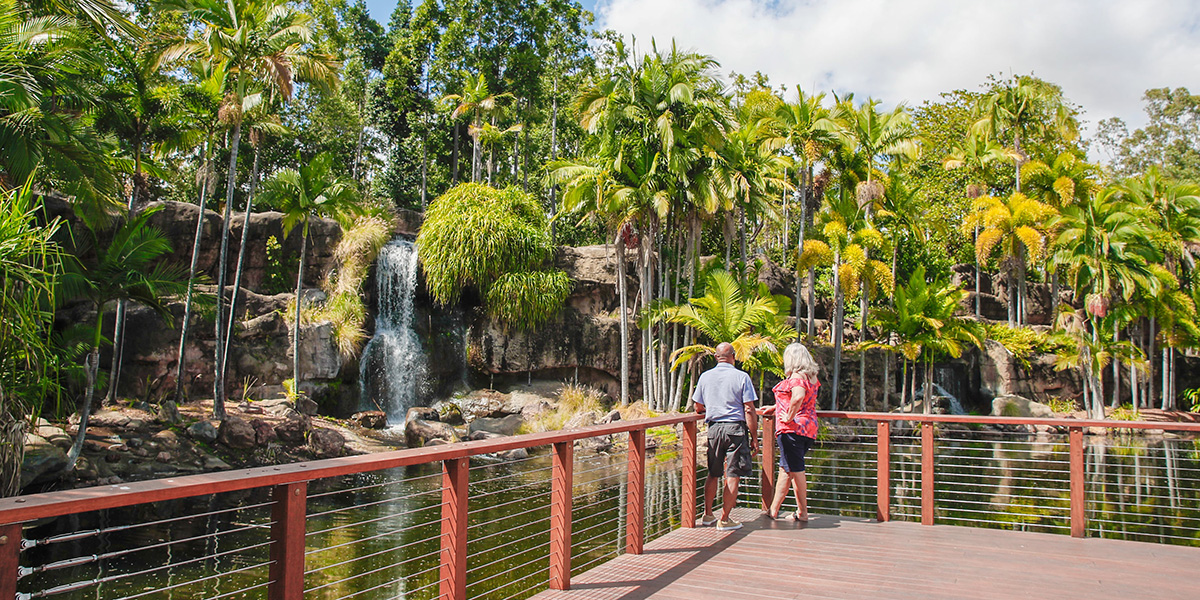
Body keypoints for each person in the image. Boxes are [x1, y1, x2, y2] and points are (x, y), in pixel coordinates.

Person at [693, 342, 758, 531]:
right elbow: (749, 408)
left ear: (716, 357)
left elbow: (698, 406)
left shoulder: (706, 377)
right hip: (735, 429)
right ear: (733, 356)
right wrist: (754, 437)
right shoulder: (741, 377)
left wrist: (714, 408)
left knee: (713, 473)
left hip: (713, 429)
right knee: (733, 474)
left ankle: (707, 515)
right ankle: (725, 518)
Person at [758, 342, 820, 521]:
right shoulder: (811, 377)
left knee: (797, 470)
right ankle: (774, 510)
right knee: (786, 469)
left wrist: (789, 417)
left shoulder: (796, 377)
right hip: (808, 428)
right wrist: (776, 407)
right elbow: (800, 399)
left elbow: (798, 396)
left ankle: (803, 512)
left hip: (792, 430)